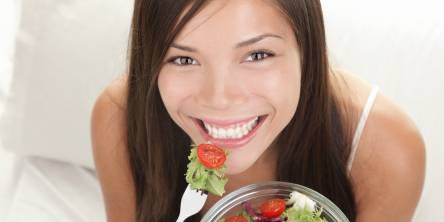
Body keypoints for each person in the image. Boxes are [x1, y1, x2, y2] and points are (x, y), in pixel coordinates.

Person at [90, 0, 425, 221]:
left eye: (257, 55)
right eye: (184, 59)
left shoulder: (386, 149)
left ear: (307, 48)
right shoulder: (118, 117)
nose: (220, 99)